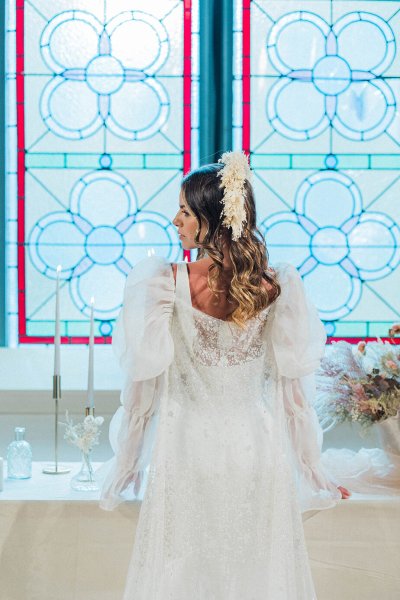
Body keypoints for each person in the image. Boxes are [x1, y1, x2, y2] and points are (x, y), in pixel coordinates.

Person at [99, 151, 349, 599]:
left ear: (210, 221)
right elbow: (295, 397)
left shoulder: (162, 283)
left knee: (184, 574)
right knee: (255, 574)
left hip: (187, 450)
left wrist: (126, 464)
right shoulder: (278, 286)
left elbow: (143, 391)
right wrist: (313, 470)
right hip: (258, 448)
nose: (174, 219)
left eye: (184, 211)